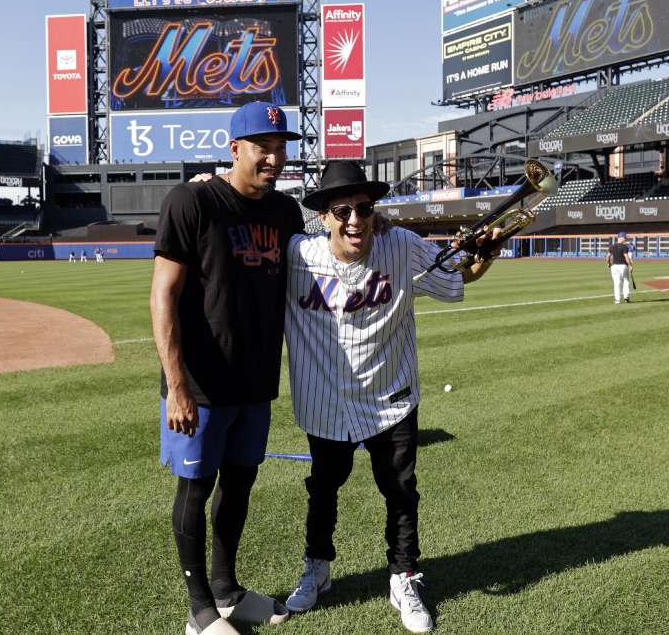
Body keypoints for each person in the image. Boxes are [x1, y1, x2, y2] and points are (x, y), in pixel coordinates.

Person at [281, 161, 502, 634]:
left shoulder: (401, 246)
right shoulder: (297, 255)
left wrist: (488, 252)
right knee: (324, 488)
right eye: (342, 210)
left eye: (364, 208)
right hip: (325, 400)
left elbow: (455, 280)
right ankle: (317, 568)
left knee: (400, 492)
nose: (355, 220)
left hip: (391, 395)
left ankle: (403, 577)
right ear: (324, 216)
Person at [151, 102, 304, 635]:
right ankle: (199, 612)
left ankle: (227, 590)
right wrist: (176, 386)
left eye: (281, 146)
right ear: (234, 148)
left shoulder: (286, 214)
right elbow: (163, 297)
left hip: (255, 380)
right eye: (262, 146)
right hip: (201, 383)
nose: (274, 156)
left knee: (239, 485)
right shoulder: (192, 201)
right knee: (196, 487)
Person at [605, 233, 634, 304]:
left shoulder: (612, 246)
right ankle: (626, 298)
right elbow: (626, 257)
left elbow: (607, 256)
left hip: (614, 267)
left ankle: (617, 300)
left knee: (616, 283)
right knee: (626, 281)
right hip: (623, 266)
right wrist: (630, 265)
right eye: (624, 237)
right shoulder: (624, 247)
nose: (625, 239)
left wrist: (608, 263)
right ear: (620, 238)